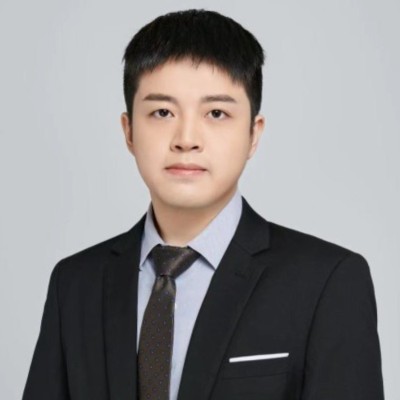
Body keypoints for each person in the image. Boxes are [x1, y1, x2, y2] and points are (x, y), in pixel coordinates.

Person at [22, 9, 385, 400]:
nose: (186, 139)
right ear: (129, 131)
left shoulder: (327, 282)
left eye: (216, 113)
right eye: (162, 112)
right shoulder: (75, 284)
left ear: (253, 134)